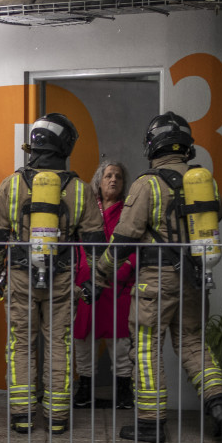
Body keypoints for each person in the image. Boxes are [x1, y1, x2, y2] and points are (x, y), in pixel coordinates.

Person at [96, 112, 222, 443]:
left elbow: (125, 237)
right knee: (193, 343)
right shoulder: (204, 180)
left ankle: (150, 424)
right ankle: (219, 400)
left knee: (145, 348)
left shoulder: (147, 184)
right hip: (197, 278)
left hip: (156, 281)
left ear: (152, 145)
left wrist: (100, 274)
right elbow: (218, 213)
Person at [0, 113, 106, 435]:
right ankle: (57, 419)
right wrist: (95, 281)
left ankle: (22, 416)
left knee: (21, 344)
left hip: (21, 277)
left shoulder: (12, 184)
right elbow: (96, 244)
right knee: (59, 344)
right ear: (65, 145)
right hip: (63, 280)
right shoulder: (80, 190)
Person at [72, 160, 136, 410]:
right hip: (85, 282)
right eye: (108, 175)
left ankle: (123, 391)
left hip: (117, 283)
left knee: (120, 341)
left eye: (118, 177)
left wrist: (128, 267)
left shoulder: (129, 211)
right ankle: (85, 389)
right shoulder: (87, 210)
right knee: (83, 337)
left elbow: (136, 244)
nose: (113, 180)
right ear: (98, 181)